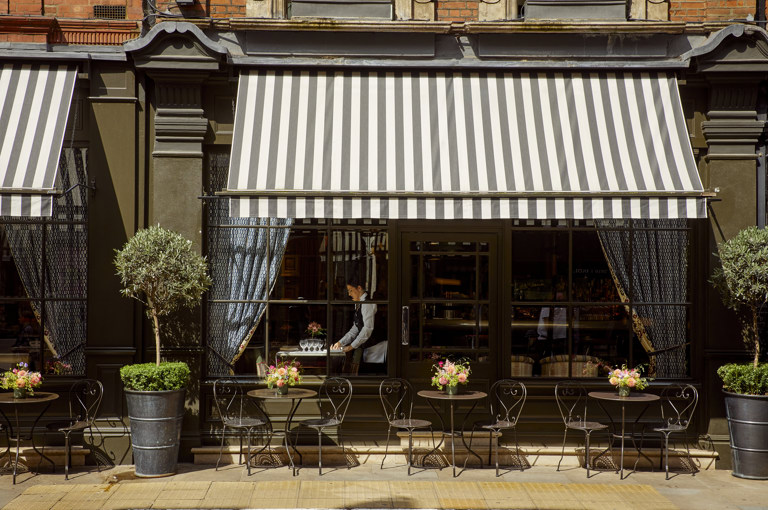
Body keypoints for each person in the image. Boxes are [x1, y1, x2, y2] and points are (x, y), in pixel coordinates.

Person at [331, 276, 377, 375]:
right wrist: (341, 343)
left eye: (351, 290)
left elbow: (367, 329)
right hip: (364, 347)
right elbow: (355, 328)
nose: (349, 294)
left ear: (359, 288)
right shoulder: (358, 303)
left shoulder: (367, 304)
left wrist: (351, 346)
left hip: (373, 348)